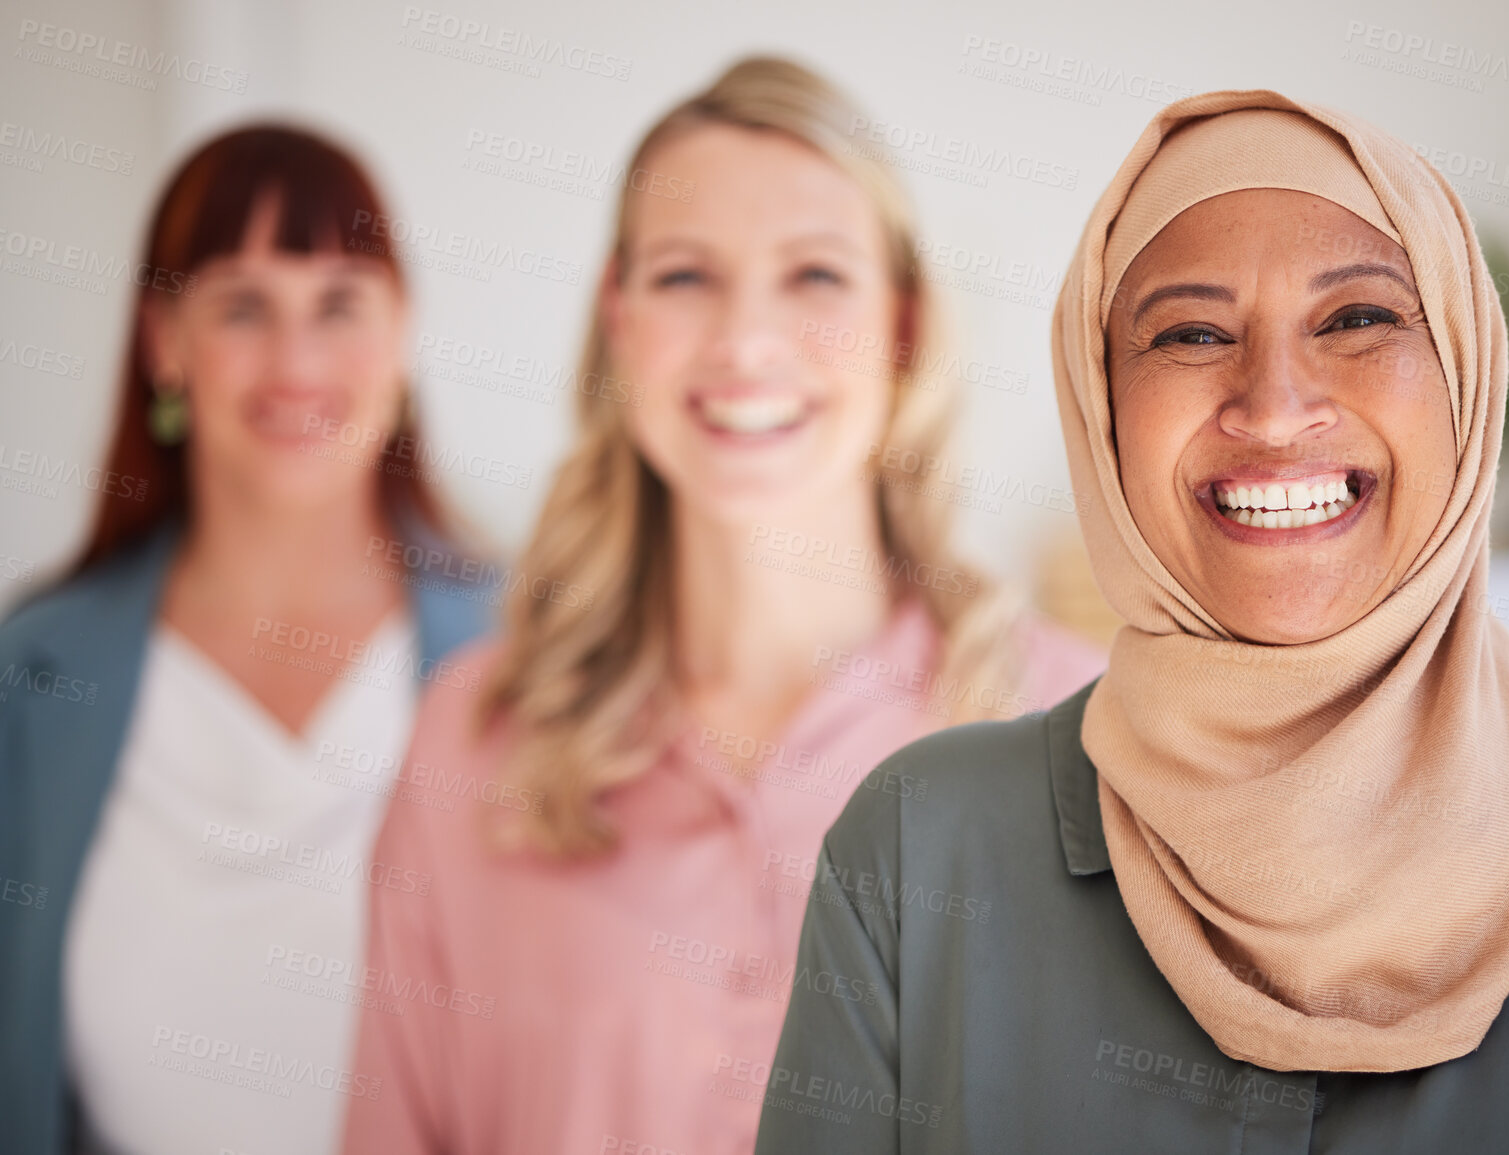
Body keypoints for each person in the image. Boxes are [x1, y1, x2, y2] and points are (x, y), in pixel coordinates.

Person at [756, 89, 1509, 1154]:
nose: (1272, 408)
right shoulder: (917, 854)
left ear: (1464, 369)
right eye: (1190, 333)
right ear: (1102, 409)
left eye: (1357, 318)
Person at [340, 56, 1102, 1155]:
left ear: (903, 322)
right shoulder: (471, 737)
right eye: (687, 276)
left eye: (815, 275)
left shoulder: (1075, 732)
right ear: (619, 319)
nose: (746, 341)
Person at [0, 126, 490, 1155]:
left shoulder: (534, 657)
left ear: (402, 335)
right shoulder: (30, 682)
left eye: (340, 304)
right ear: (163, 341)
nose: (296, 360)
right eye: (242, 305)